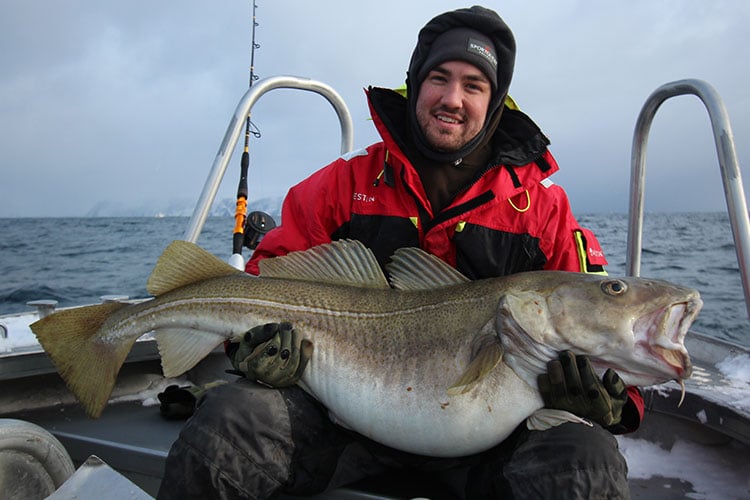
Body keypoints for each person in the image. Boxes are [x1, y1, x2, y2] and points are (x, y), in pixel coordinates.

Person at [158, 6, 643, 499]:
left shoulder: (541, 212)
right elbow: (261, 285)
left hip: (495, 442)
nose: (453, 99)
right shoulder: (341, 186)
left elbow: (602, 323)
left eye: (474, 85)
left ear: (495, 102)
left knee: (587, 462)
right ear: (416, 82)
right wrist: (247, 348)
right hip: (340, 419)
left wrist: (613, 400)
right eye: (440, 77)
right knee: (232, 422)